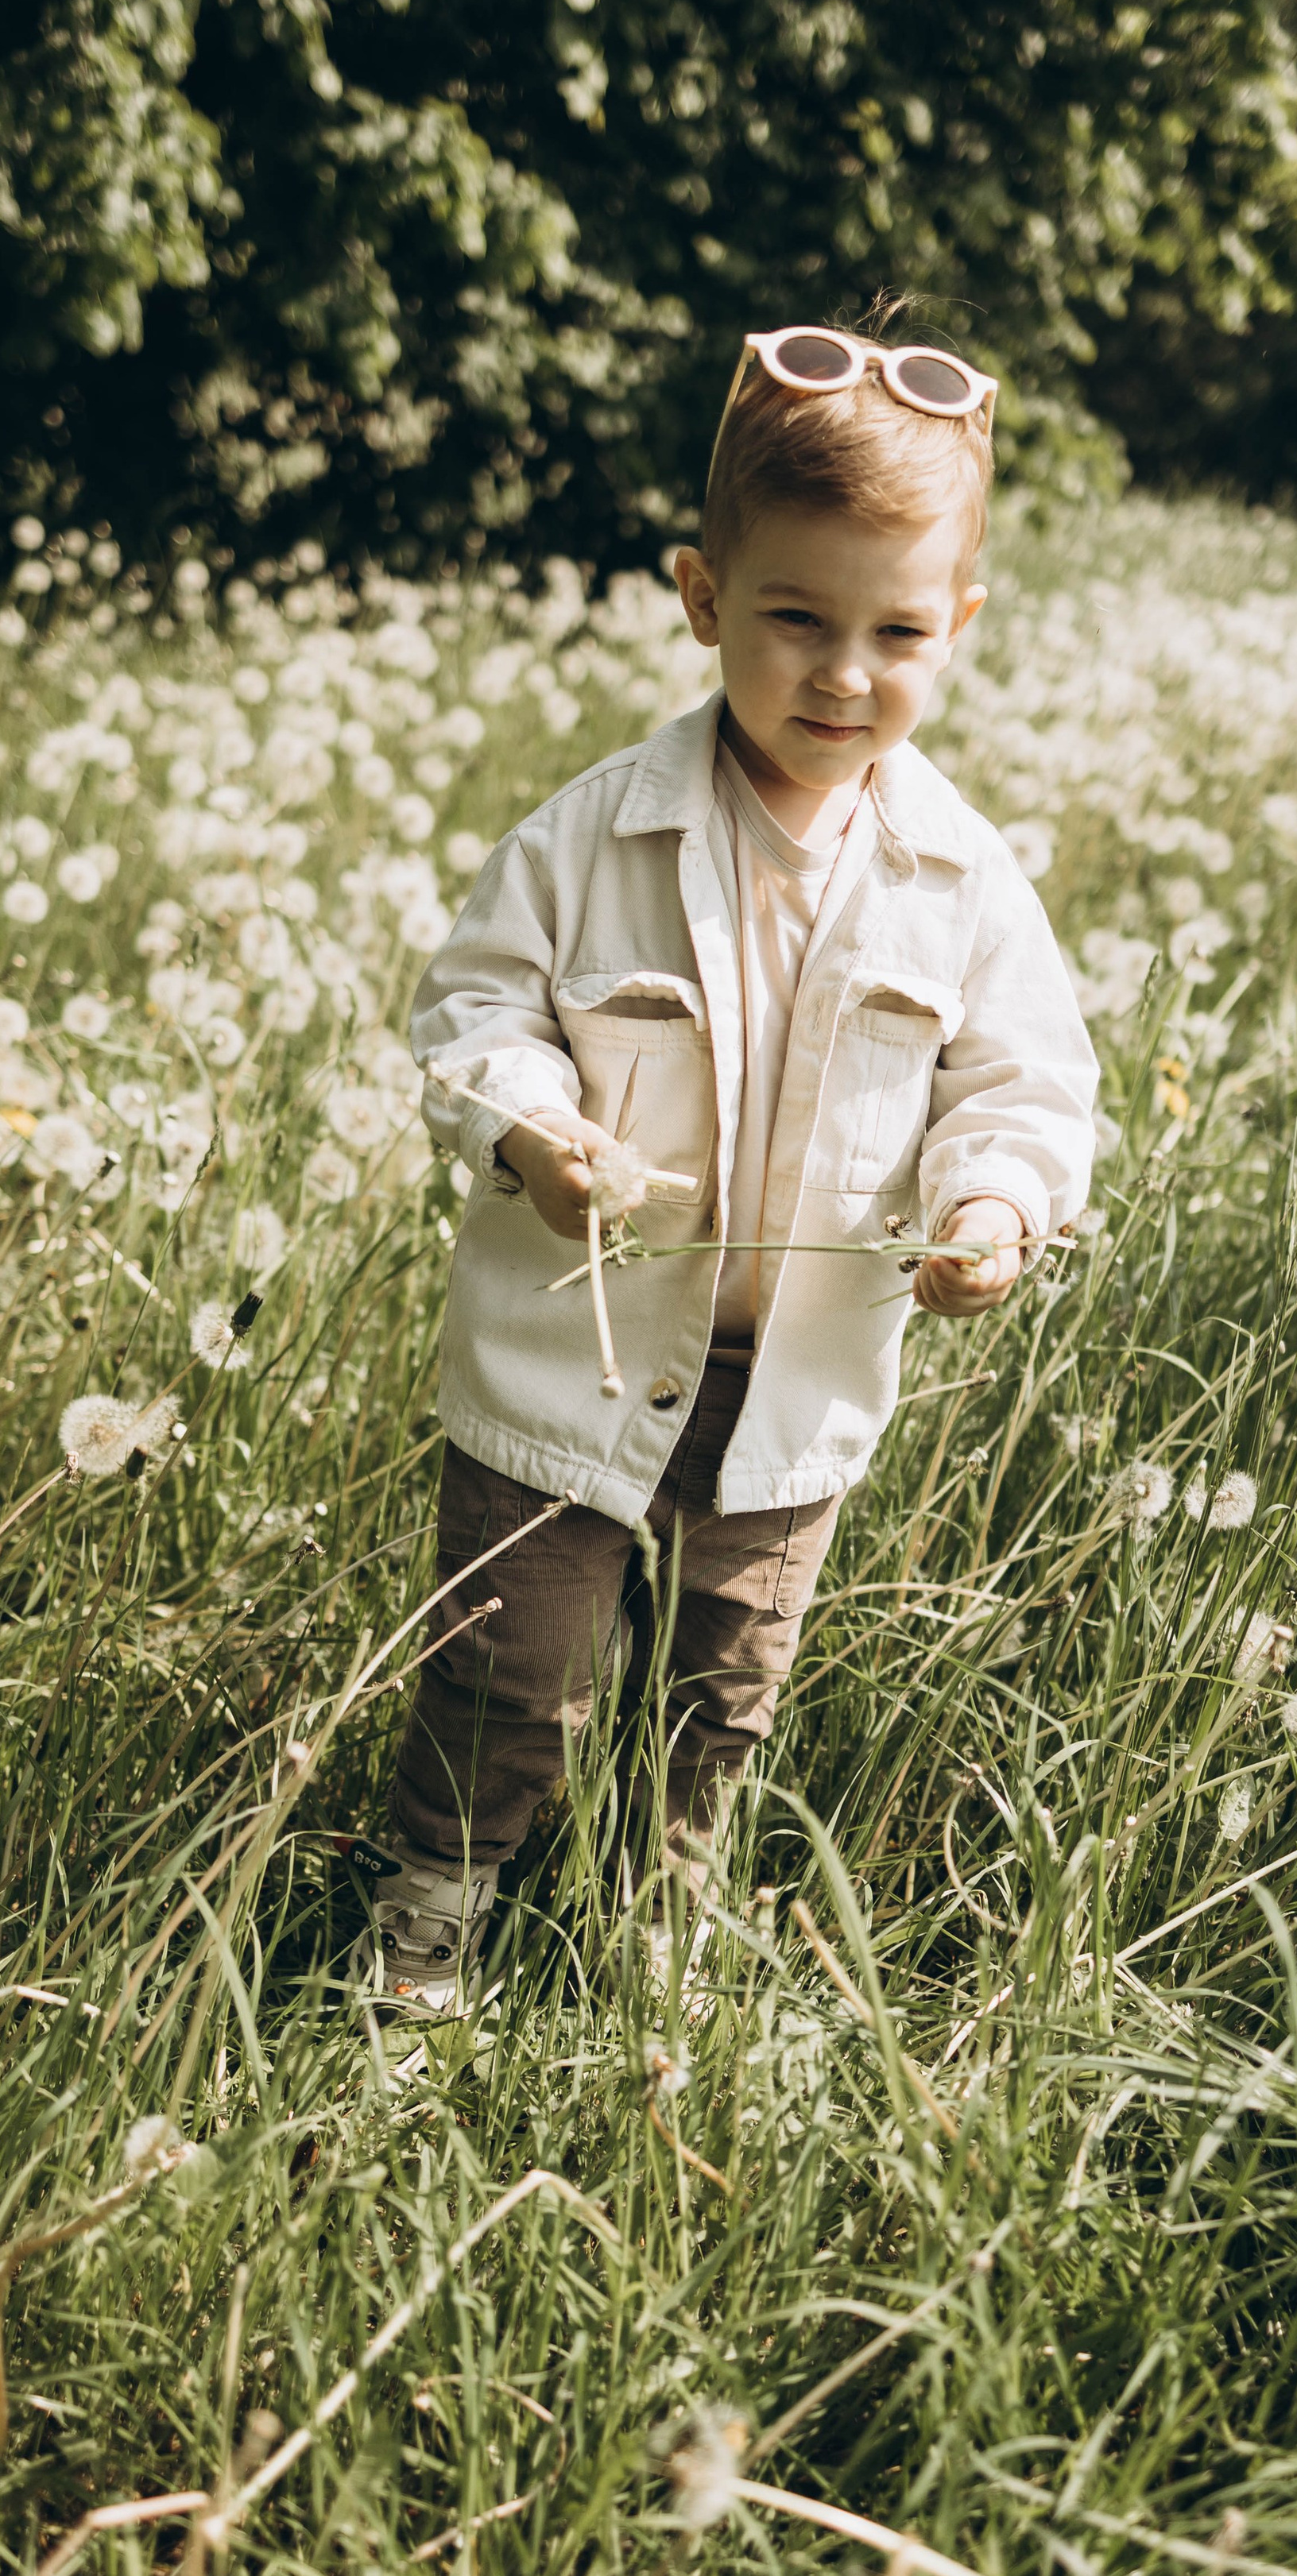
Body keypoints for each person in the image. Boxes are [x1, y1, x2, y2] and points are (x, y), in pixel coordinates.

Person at [338, 321, 1099, 2004]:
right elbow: (473, 1009)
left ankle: (655, 1927)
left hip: (790, 1390)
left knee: (723, 1691)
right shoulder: (591, 831)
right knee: (506, 1659)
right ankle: (433, 1915)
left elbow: (1023, 1086)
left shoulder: (965, 882)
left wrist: (992, 1204)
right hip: (577, 1350)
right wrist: (533, 1125)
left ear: (961, 628)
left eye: (898, 634)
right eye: (795, 619)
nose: (845, 674)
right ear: (702, 597)